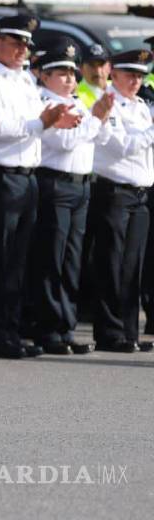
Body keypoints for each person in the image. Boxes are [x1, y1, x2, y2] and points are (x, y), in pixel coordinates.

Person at [0, 13, 81, 359]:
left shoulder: (22, 81)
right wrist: (40, 122)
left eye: (26, 45)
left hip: (27, 174)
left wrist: (50, 122)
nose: (23, 50)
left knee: (18, 260)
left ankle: (11, 328)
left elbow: (38, 121)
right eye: (16, 43)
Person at [29, 38, 109, 356]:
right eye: (61, 73)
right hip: (55, 184)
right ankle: (48, 327)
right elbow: (64, 142)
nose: (70, 80)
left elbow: (95, 137)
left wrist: (93, 120)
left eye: (72, 74)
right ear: (45, 76)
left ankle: (65, 326)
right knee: (52, 258)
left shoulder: (77, 103)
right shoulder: (44, 103)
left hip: (80, 186)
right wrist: (95, 119)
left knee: (72, 260)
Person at [89, 48, 154, 353]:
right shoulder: (108, 104)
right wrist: (150, 133)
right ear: (113, 74)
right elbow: (121, 147)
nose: (135, 81)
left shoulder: (141, 107)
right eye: (130, 75)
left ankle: (129, 332)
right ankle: (109, 332)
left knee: (132, 267)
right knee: (111, 264)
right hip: (113, 192)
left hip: (139, 195)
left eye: (140, 76)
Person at [77, 43, 111, 110]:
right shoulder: (76, 96)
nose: (97, 71)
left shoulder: (119, 88)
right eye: (92, 65)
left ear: (109, 67)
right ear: (81, 69)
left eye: (101, 65)